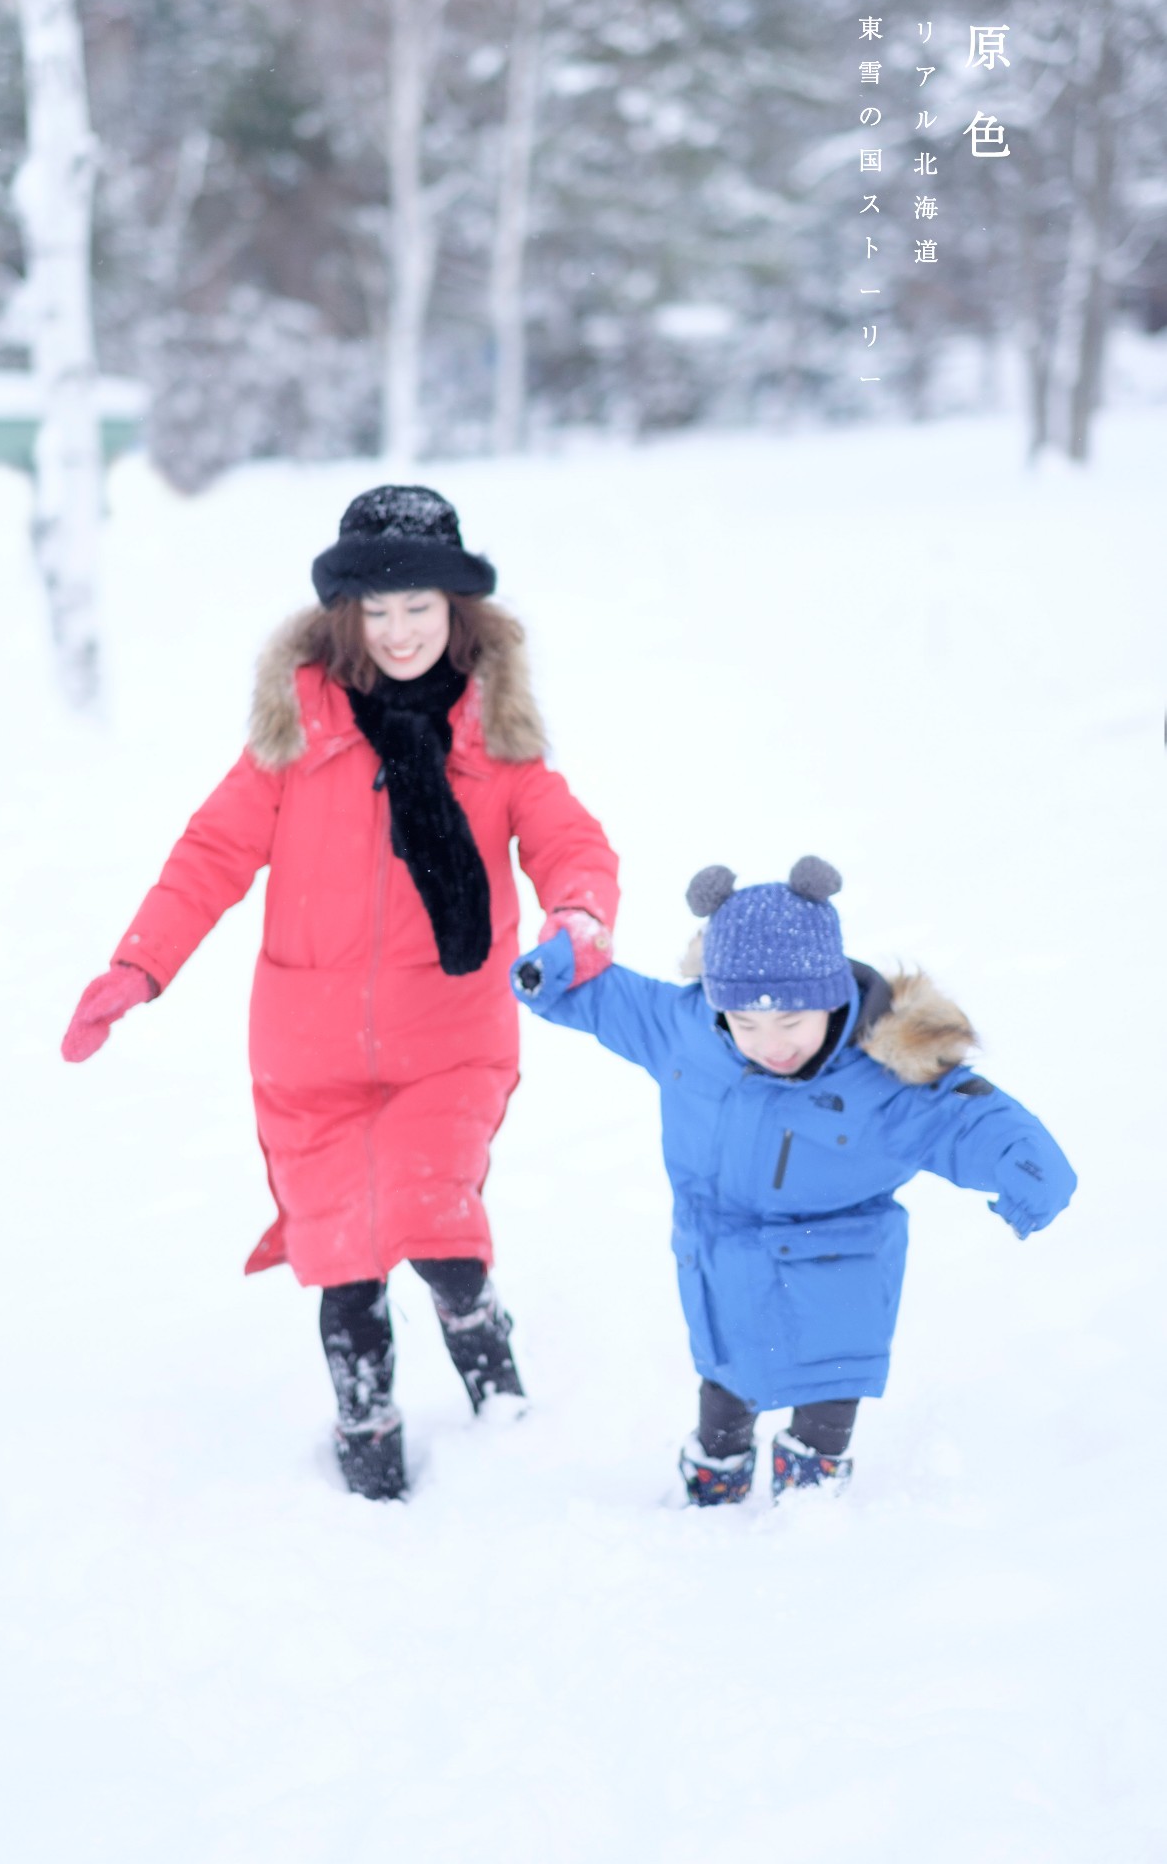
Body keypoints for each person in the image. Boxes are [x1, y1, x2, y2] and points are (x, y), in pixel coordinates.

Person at [62, 488, 619, 1501]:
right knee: (344, 1253)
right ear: (345, 617)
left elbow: (569, 843)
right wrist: (137, 966)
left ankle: (488, 1363)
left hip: (451, 1036)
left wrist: (579, 915)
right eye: (378, 609)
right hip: (308, 1045)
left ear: (458, 609)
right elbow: (211, 852)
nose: (400, 630)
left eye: (420, 606)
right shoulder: (297, 733)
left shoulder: (496, 736)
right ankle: (367, 1434)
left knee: (432, 1216)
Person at [511, 855, 1075, 1504]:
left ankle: (811, 1514)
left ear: (829, 999)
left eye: (790, 1022)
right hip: (719, 1262)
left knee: (826, 1399)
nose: (769, 1043)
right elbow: (606, 998)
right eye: (745, 1023)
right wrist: (549, 971)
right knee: (724, 1385)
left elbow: (965, 1115)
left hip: (837, 1272)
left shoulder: (881, 1076)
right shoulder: (687, 1031)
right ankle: (711, 1491)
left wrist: (1028, 1170)